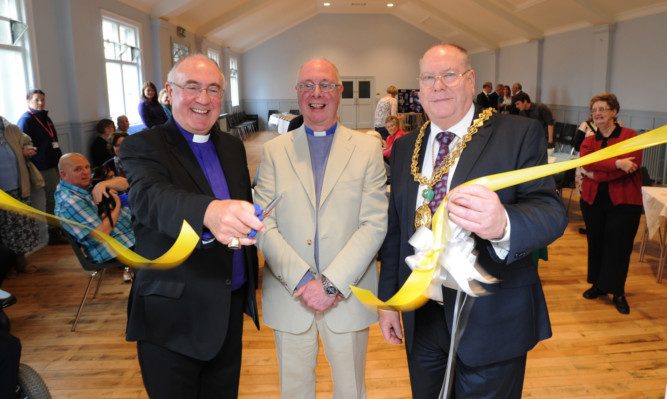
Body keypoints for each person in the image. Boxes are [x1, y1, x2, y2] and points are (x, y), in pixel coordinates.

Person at [378, 43, 567, 399]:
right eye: (429, 77)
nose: (438, 85)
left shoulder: (517, 133)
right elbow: (396, 232)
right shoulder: (406, 148)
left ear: (470, 79)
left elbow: (551, 212)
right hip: (423, 316)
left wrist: (503, 224)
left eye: (449, 74)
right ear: (419, 87)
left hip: (491, 316)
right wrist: (389, 301)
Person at [120, 54, 265, 398]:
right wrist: (209, 213)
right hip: (173, 316)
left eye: (213, 90)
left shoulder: (231, 146)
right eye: (192, 88)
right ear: (169, 93)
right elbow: (151, 198)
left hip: (228, 308)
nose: (203, 99)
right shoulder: (143, 145)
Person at [254, 58, 388, 398]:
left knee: (350, 390)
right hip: (290, 293)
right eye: (307, 85)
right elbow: (263, 223)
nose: (317, 93)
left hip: (347, 294)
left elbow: (373, 224)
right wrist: (301, 279)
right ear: (297, 93)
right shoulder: (273, 151)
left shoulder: (367, 148)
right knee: (294, 390)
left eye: (326, 84)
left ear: (340, 91)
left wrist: (330, 284)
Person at [579, 93, 642, 315]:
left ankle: (618, 291)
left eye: (602, 109)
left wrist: (595, 174)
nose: (597, 113)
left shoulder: (629, 136)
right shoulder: (588, 141)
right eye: (594, 110)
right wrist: (616, 163)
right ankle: (598, 285)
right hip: (592, 200)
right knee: (596, 243)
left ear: (614, 112)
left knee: (619, 247)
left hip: (624, 202)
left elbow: (631, 167)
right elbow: (587, 162)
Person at [54, 153, 134, 264]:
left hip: (129, 232)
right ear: (64, 175)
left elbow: (126, 182)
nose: (86, 172)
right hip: (116, 247)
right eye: (78, 169)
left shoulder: (84, 181)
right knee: (161, 244)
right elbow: (102, 233)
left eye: (87, 167)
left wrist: (103, 184)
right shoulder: (69, 201)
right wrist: (116, 203)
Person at [17, 89, 67, 245]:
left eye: (43, 99)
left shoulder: (45, 117)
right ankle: (53, 232)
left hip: (53, 163)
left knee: (56, 197)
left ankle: (57, 228)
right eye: (37, 100)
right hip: (42, 166)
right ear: (28, 101)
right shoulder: (26, 120)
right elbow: (24, 145)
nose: (40, 103)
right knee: (50, 199)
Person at [0, 116, 43, 274]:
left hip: (18, 187)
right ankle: (5, 266)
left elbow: (25, 139)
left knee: (20, 228)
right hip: (1, 193)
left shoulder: (10, 128)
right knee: (3, 229)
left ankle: (20, 261)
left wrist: (26, 147)